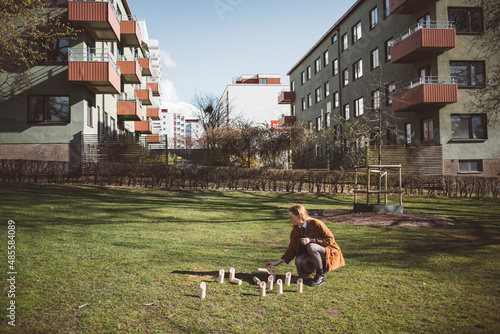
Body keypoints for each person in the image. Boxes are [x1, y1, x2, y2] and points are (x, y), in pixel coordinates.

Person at [266, 204, 345, 286]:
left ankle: (320, 276)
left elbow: (330, 240)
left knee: (311, 246)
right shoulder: (295, 231)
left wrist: (311, 240)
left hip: (328, 251)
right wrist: (277, 262)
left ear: (298, 216)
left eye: (291, 217)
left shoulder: (315, 223)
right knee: (298, 261)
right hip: (313, 253)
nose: (290, 219)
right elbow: (291, 250)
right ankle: (312, 269)